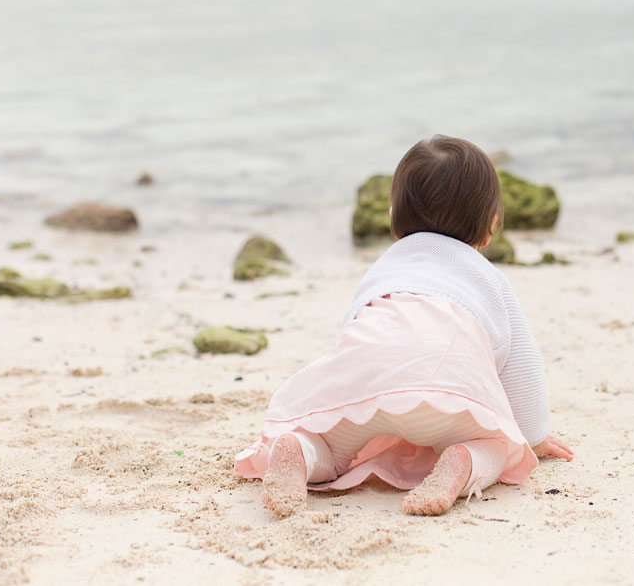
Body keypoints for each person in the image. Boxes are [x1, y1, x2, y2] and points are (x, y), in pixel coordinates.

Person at [234, 135, 572, 517]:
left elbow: (355, 331)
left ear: (394, 216)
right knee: (496, 447)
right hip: (449, 397)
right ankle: (462, 461)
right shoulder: (489, 279)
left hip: (368, 385)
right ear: (492, 227)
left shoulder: (385, 267)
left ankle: (303, 450)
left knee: (334, 447)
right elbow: (522, 365)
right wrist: (533, 436)